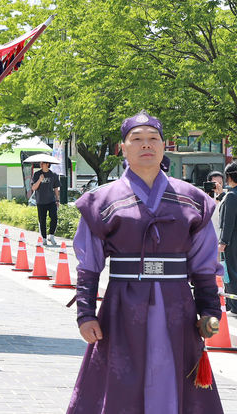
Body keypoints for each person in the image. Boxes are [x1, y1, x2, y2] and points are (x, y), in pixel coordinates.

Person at [68, 112, 223, 413]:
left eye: (153, 139)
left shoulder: (194, 200)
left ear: (164, 146)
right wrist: (85, 314)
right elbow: (89, 264)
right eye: (136, 139)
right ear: (123, 148)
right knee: (121, 384)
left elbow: (204, 263)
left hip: (178, 305)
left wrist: (209, 311)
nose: (146, 145)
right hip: (122, 306)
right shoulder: (100, 201)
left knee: (173, 375)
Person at [218, 163, 237, 314]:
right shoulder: (231, 194)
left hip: (232, 241)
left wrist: (223, 242)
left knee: (230, 271)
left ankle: (234, 305)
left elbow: (227, 222)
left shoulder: (231, 195)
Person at [30, 161, 60, 246]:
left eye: (43, 163)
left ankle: (51, 235)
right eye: (41, 163)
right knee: (42, 220)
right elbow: (33, 187)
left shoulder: (53, 175)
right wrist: (40, 180)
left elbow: (56, 188)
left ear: (47, 164)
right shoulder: (37, 174)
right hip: (41, 201)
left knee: (54, 217)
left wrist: (57, 200)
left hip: (51, 201)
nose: (41, 164)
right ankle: (44, 238)